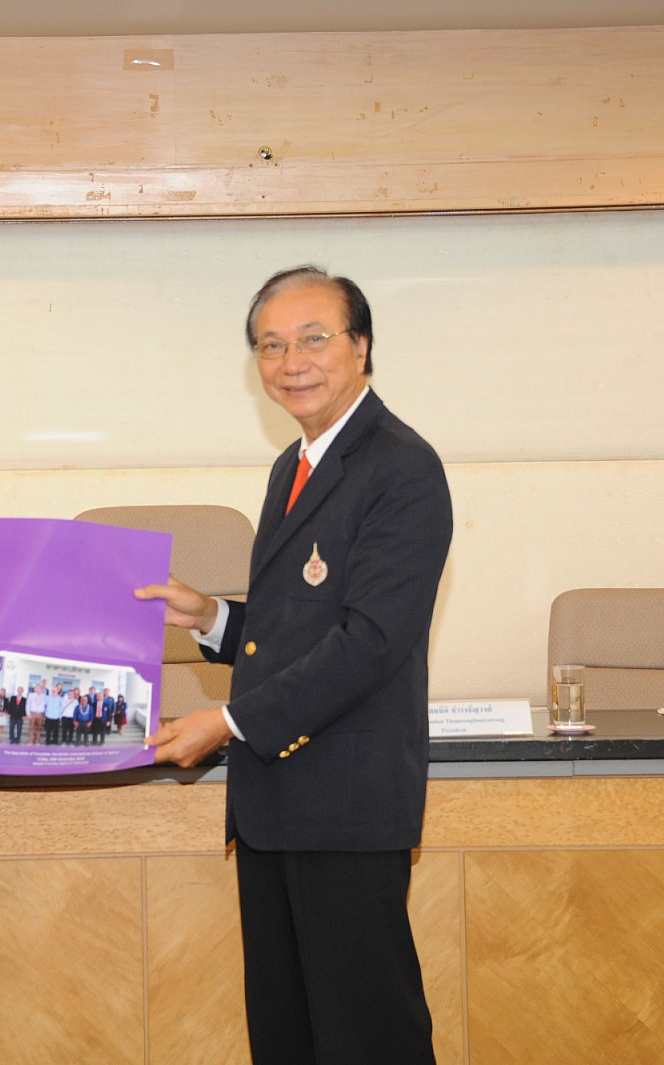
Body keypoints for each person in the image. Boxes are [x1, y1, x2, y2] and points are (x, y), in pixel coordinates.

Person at [137, 266, 452, 1065]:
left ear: (361, 345)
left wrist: (226, 720)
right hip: (277, 803)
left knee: (366, 1040)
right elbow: (292, 635)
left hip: (344, 807)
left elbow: (370, 641)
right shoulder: (294, 464)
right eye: (271, 345)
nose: (291, 361)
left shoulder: (402, 467)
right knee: (289, 1038)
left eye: (314, 338)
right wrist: (208, 616)